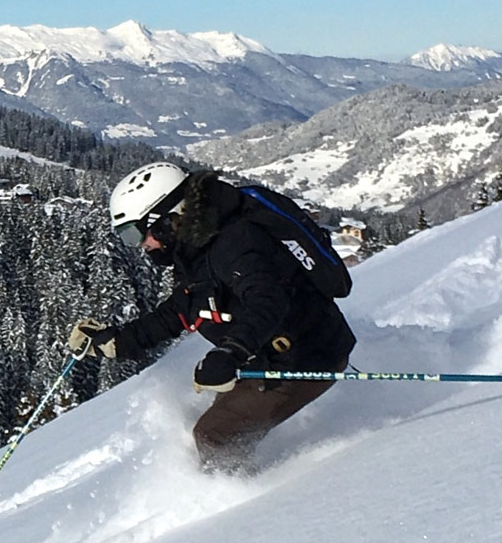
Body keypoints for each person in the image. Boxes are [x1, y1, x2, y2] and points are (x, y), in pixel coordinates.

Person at [68, 161, 356, 473]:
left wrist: (231, 351)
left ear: (167, 219)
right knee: (215, 426)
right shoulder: (198, 245)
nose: (140, 245)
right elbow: (183, 308)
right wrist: (118, 341)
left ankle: (243, 507)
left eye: (136, 233)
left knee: (214, 435)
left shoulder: (234, 243)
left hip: (305, 358)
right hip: (265, 359)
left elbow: (267, 300)